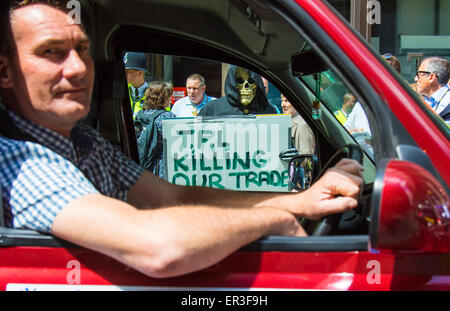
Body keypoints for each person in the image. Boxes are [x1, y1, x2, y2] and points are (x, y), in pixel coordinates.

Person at [0, 1, 363, 278]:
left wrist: (299, 202)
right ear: (5, 71)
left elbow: (173, 196)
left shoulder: (83, 141)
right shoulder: (17, 158)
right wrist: (272, 218)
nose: (78, 67)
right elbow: (159, 247)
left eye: (81, 49)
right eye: (51, 52)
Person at [134, 81, 176, 178]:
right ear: (163, 98)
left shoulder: (140, 115)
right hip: (162, 167)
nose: (171, 99)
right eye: (169, 96)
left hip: (143, 163)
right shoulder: (168, 117)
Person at [199, 66, 278, 116]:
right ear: (232, 83)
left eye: (251, 81)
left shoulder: (268, 110)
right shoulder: (211, 110)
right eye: (240, 81)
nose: (246, 87)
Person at [414, 57, 450, 126]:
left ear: (431, 77)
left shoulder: (447, 106)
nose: (415, 79)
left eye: (419, 75)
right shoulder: (423, 101)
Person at [124, 51, 149, 119]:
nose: (124, 75)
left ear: (140, 73)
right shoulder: (122, 91)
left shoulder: (155, 94)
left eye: (127, 72)